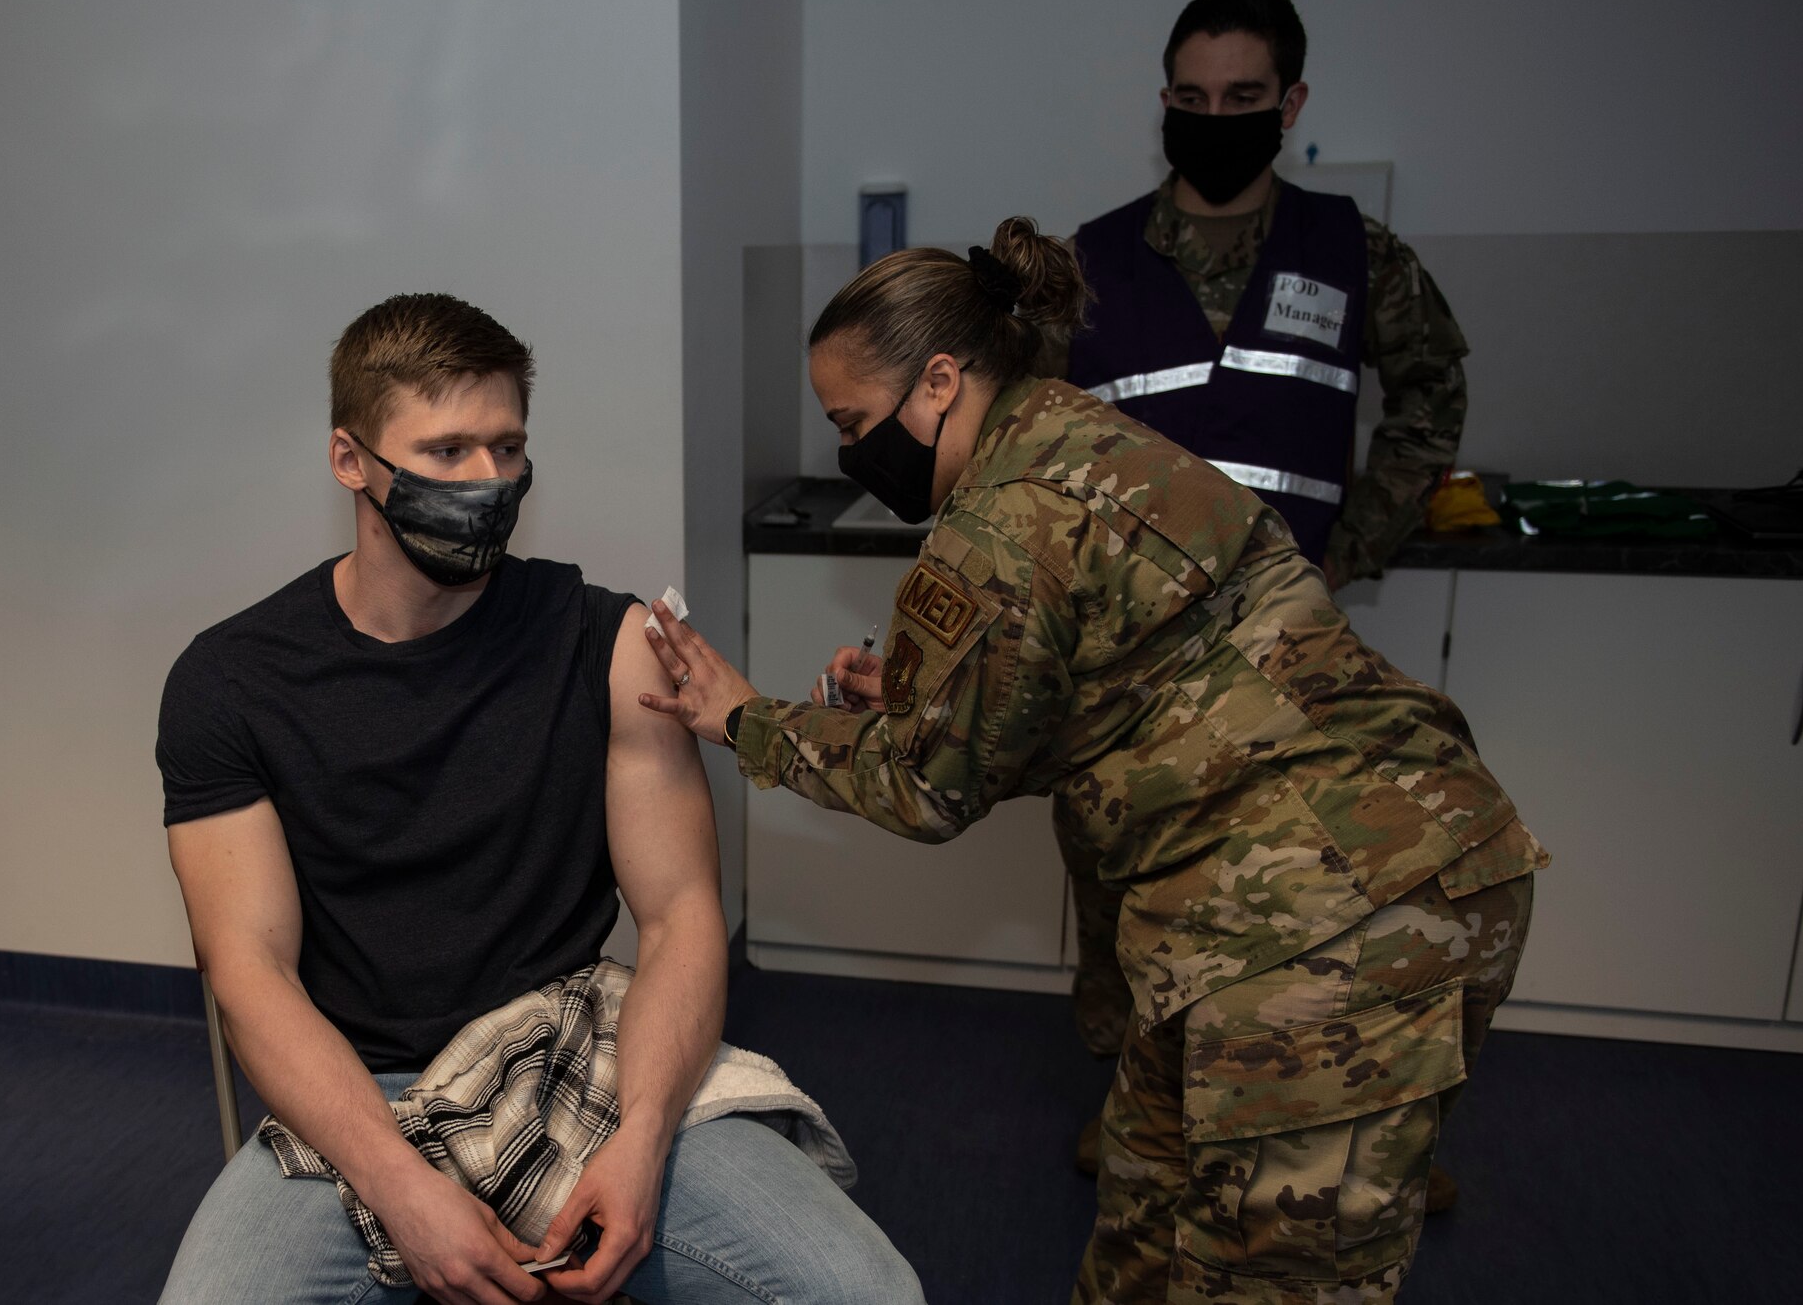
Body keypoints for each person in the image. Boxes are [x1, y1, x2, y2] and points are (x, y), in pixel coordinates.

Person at [640, 223, 1543, 1304]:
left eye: (852, 422)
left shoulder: (994, 526)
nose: (847, 450)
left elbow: (924, 788)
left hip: (1327, 930)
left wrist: (742, 716)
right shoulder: (1078, 433)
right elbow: (1130, 681)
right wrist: (947, 706)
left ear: (937, 380)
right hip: (1353, 868)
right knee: (1144, 1225)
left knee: (1260, 1278)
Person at [154, 293, 923, 1305]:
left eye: (506, 449)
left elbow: (681, 913)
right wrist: (396, 1182)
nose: (486, 482)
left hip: (583, 1050)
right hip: (361, 1088)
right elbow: (248, 970)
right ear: (351, 460)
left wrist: (642, 1139)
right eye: (446, 452)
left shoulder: (604, 645)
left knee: (863, 1292)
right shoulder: (232, 680)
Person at [1054, 0, 1479, 1185]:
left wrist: (1358, 538)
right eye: (1190, 99)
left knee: (1314, 900)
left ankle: (1357, 1127)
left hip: (1287, 647)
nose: (1215, 117)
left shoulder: (1352, 250)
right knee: (1135, 897)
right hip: (1127, 653)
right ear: (1164, 106)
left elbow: (1430, 392)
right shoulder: (1089, 263)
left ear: (1289, 103)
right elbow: (1027, 441)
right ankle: (1140, 1104)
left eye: (1242, 98)